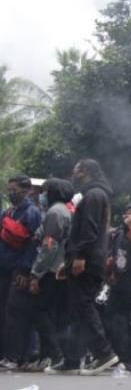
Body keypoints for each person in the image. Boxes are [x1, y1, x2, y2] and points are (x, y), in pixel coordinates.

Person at [49, 159, 118, 375]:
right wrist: (68, 262)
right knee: (76, 309)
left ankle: (104, 353)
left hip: (87, 261)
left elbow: (88, 230)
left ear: (85, 172)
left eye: (76, 170)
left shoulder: (94, 195)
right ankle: (71, 359)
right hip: (85, 259)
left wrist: (79, 257)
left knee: (83, 306)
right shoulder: (94, 195)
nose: (73, 174)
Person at [9, 178, 74, 372]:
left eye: (45, 191)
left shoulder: (55, 212)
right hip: (59, 270)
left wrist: (35, 274)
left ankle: (55, 355)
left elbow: (49, 247)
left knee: (40, 312)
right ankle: (60, 355)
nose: (41, 195)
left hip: (51, 270)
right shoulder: (62, 211)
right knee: (57, 314)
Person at [0, 175, 42, 369]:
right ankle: (6, 354)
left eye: (14, 189)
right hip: (4, 268)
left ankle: (16, 356)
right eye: (10, 189)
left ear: (25, 190)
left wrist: (25, 270)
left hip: (19, 269)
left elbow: (32, 245)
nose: (11, 192)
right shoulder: (8, 212)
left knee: (14, 312)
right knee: (3, 311)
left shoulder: (32, 213)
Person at [105, 203, 131, 370]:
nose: (129, 217)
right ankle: (118, 355)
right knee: (113, 320)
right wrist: (111, 271)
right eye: (127, 214)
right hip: (118, 282)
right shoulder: (119, 233)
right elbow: (114, 253)